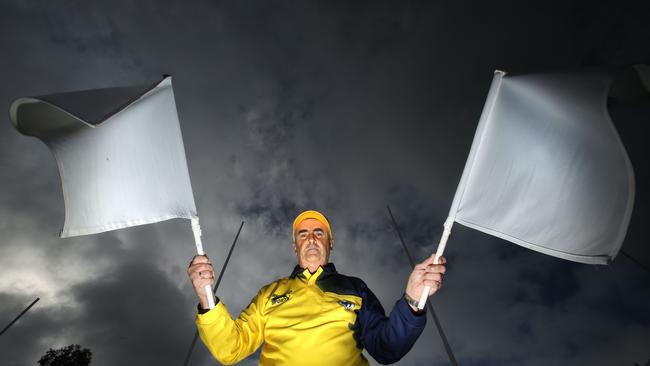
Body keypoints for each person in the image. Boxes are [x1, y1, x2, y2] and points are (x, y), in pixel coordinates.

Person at [188, 210, 447, 365]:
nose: (311, 238)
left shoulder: (355, 288)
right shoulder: (270, 293)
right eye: (303, 233)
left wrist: (413, 299)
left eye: (318, 232)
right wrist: (205, 296)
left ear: (330, 243)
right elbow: (231, 347)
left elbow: (386, 347)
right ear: (295, 246)